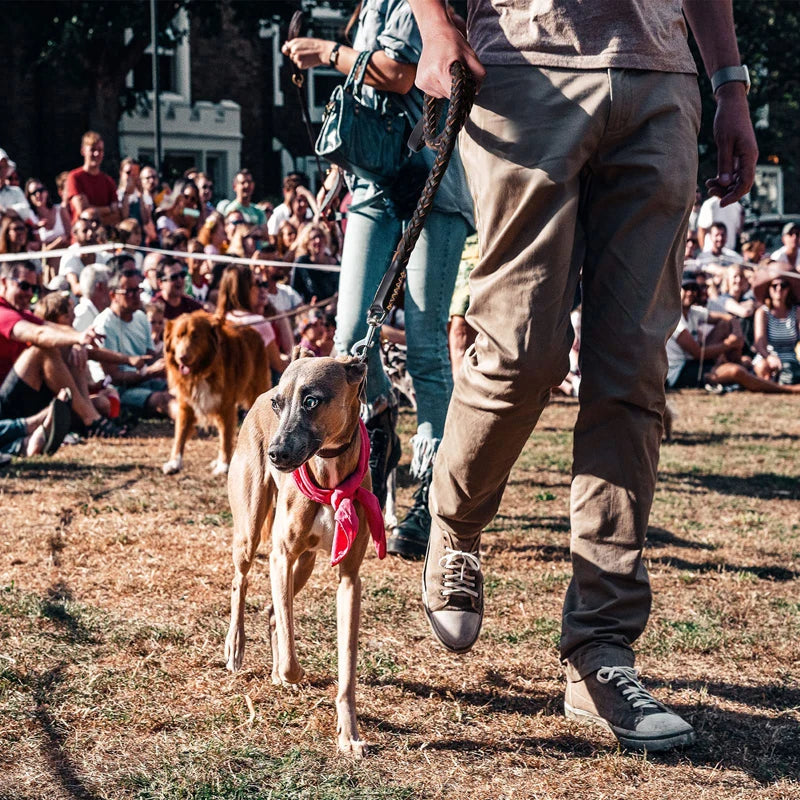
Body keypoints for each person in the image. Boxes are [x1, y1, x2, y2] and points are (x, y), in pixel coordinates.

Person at [406, 0, 757, 751]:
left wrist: (730, 84)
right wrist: (436, 27)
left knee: (632, 371)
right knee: (521, 353)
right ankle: (456, 522)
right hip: (525, 70)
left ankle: (601, 652)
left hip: (663, 79)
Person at [283, 0, 474, 542]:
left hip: (430, 181)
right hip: (370, 186)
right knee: (349, 344)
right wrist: (339, 175)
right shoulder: (369, 7)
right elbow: (369, 99)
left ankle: (433, 499)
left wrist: (326, 52)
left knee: (426, 348)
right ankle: (382, 410)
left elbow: (400, 74)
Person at [0, 259, 123, 437]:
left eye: (33, 289)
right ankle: (91, 420)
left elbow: (55, 329)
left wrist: (76, 341)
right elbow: (39, 334)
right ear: (4, 282)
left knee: (102, 402)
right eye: (24, 286)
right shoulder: (3, 313)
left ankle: (89, 416)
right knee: (44, 348)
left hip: (28, 394)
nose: (29, 294)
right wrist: (78, 337)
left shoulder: (22, 313)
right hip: (6, 406)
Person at [91, 269, 174, 419]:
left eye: (138, 290)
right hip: (119, 390)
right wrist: (149, 371)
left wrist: (167, 360)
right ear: (113, 295)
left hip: (145, 381)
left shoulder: (141, 317)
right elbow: (114, 376)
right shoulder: (105, 324)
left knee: (181, 389)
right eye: (129, 292)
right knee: (162, 399)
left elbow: (150, 357)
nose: (136, 296)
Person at [214, 264, 287, 374]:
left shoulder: (218, 320)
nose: (259, 289)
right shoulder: (258, 323)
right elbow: (279, 367)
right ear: (246, 289)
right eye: (256, 284)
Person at [65, 131, 124, 228]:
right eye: (92, 150)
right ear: (83, 151)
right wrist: (109, 209)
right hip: (82, 238)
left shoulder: (109, 181)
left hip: (104, 238)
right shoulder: (74, 177)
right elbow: (83, 212)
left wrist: (94, 212)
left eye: (100, 150)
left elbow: (116, 216)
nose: (96, 154)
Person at [291, 223, 339, 304]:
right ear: (307, 242)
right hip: (310, 310)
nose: (318, 240)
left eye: (320, 236)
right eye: (313, 238)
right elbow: (294, 293)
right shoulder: (301, 263)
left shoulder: (335, 264)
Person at [156, 256, 203, 321]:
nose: (180, 280)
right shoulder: (154, 308)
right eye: (174, 277)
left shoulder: (192, 306)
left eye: (182, 275)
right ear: (160, 283)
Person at [73, 264, 112, 332]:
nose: (114, 291)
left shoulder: (97, 313)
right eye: (111, 286)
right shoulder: (82, 316)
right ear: (100, 286)